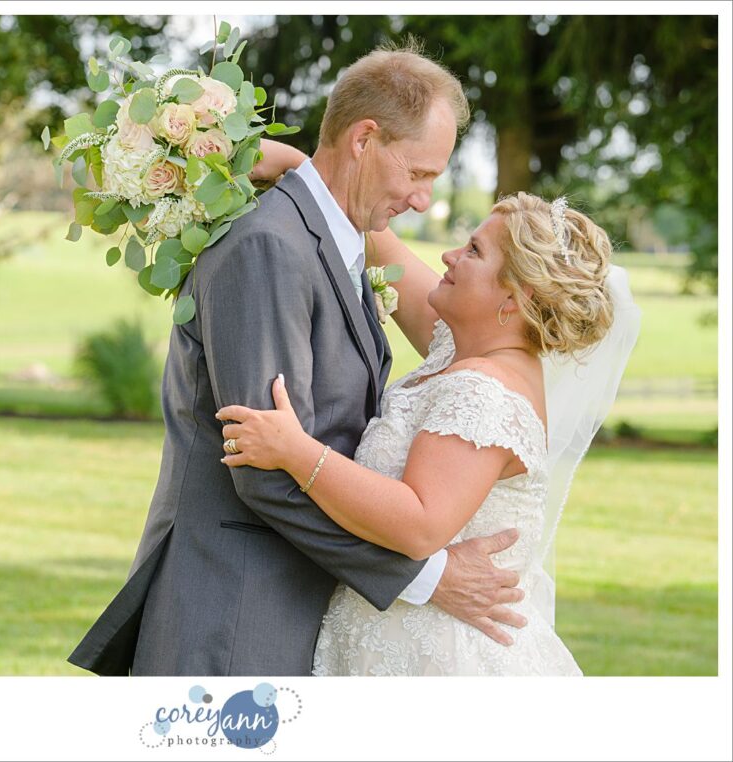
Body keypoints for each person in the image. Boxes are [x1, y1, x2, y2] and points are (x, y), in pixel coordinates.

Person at [68, 44, 529, 677]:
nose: (424, 200)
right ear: (365, 139)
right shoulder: (271, 247)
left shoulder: (336, 238)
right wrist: (424, 577)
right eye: (419, 174)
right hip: (234, 617)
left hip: (286, 609)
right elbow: (264, 471)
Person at [216, 178, 641, 674]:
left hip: (439, 657)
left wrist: (296, 452)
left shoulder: (484, 392)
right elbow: (381, 243)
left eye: (474, 251)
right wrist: (301, 167)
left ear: (514, 298)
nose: (449, 256)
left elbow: (419, 525)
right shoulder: (462, 344)